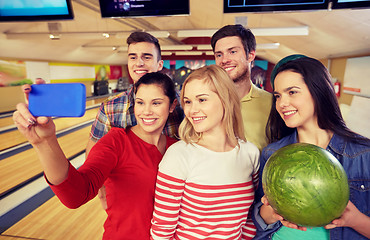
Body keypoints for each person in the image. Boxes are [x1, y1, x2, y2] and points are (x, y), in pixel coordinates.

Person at [13, 72, 179, 239]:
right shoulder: (116, 142)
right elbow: (76, 195)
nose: (146, 111)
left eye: (156, 103)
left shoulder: (178, 148)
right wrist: (44, 141)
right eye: (140, 103)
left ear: (172, 105)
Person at [252, 54, 370, 240]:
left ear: (318, 91)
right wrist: (271, 212)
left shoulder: (363, 154)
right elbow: (261, 221)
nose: (282, 103)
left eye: (292, 92)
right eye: (278, 96)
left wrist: (355, 220)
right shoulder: (272, 153)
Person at [150, 65, 260, 239]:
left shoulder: (250, 154)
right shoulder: (179, 155)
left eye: (201, 100)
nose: (192, 110)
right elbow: (162, 231)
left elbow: (248, 219)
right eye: (188, 101)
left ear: (226, 99)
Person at [87, 31, 183, 209]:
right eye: (133, 57)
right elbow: (93, 153)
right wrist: (101, 193)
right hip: (131, 202)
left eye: (146, 57)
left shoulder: (182, 106)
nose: (139, 63)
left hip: (175, 200)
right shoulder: (110, 108)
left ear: (159, 64)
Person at [211, 24, 272, 152]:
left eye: (232, 52)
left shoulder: (272, 103)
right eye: (219, 55)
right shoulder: (206, 102)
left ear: (250, 55)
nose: (224, 60)